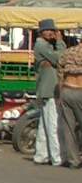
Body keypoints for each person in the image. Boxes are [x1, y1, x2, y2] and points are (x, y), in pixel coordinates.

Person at [32, 19, 68, 167]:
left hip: (45, 89)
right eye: (48, 30)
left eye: (52, 30)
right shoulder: (41, 45)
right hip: (49, 90)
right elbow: (60, 58)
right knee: (53, 125)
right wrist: (60, 42)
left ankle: (41, 155)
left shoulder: (46, 45)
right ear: (41, 32)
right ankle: (57, 157)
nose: (51, 33)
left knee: (44, 125)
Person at [56, 36, 82, 169]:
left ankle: (73, 160)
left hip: (66, 90)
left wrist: (60, 93)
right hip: (80, 91)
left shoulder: (68, 52)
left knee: (69, 127)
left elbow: (59, 71)